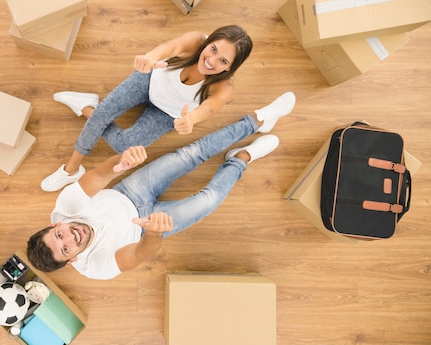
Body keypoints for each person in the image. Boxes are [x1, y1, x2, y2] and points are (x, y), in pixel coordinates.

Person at [27, 91, 296, 280]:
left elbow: (98, 174)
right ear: (72, 260)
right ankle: (241, 158)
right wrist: (154, 233)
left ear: (55, 224)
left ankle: (257, 120)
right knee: (208, 200)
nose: (70, 238)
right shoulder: (95, 268)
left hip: (129, 192)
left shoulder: (65, 207)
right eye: (66, 249)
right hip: (146, 228)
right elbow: (137, 254)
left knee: (191, 153)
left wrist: (120, 163)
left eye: (59, 235)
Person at [41, 25, 254, 192]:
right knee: (104, 114)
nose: (211, 60)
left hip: (167, 113)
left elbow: (208, 109)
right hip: (150, 80)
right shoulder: (197, 40)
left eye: (222, 60)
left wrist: (191, 120)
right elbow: (171, 47)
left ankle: (89, 108)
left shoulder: (225, 86)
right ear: (209, 42)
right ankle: (71, 169)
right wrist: (151, 57)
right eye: (213, 49)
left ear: (229, 67)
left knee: (124, 146)